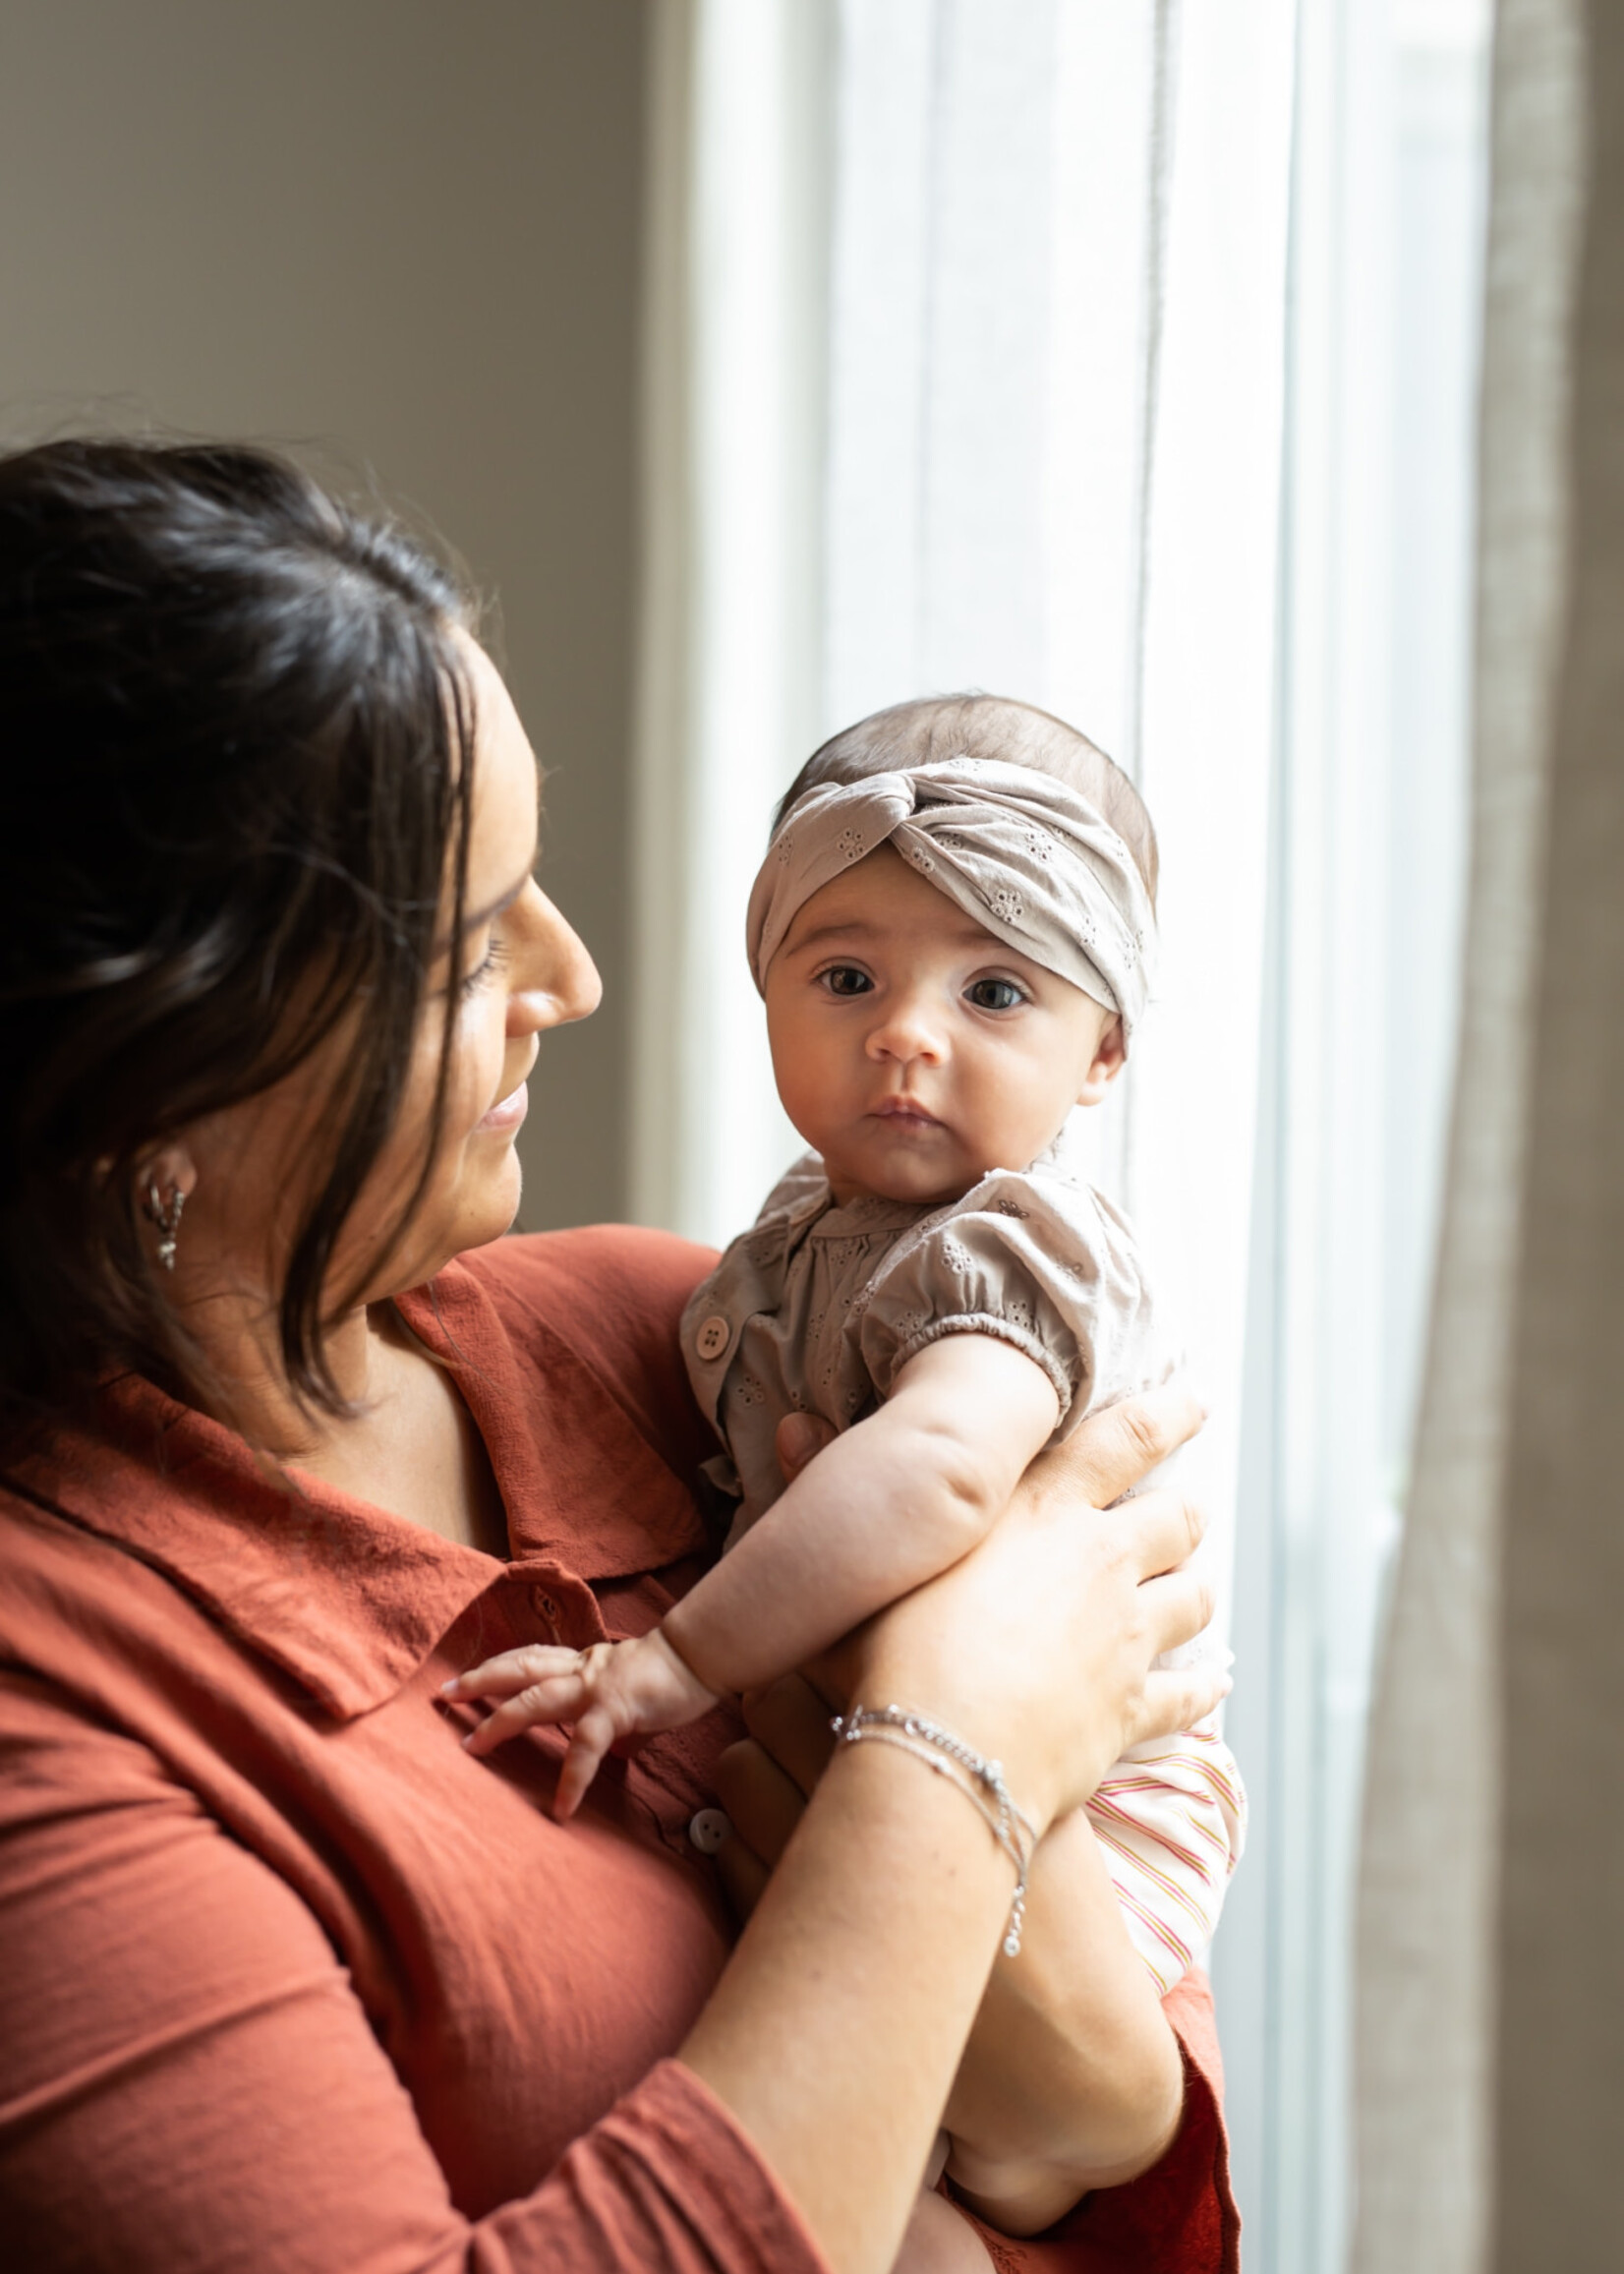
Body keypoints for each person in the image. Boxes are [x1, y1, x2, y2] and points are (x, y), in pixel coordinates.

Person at [0, 437, 1238, 2273]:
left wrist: (1103, 2105)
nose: (572, 975)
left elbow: (1151, 2116)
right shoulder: (56, 1712)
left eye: (540, 876)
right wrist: (951, 1757)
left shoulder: (682, 1341)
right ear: (143, 1093)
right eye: (457, 932)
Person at [445, 705, 1244, 2247]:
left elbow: (943, 1473)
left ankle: (1024, 2171)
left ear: (1108, 1048)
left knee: (991, 2148)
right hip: (876, 1745)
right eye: (846, 975)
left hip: (1104, 1791)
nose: (905, 1031)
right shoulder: (794, 1237)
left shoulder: (1022, 1248)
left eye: (995, 986)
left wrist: (673, 1657)